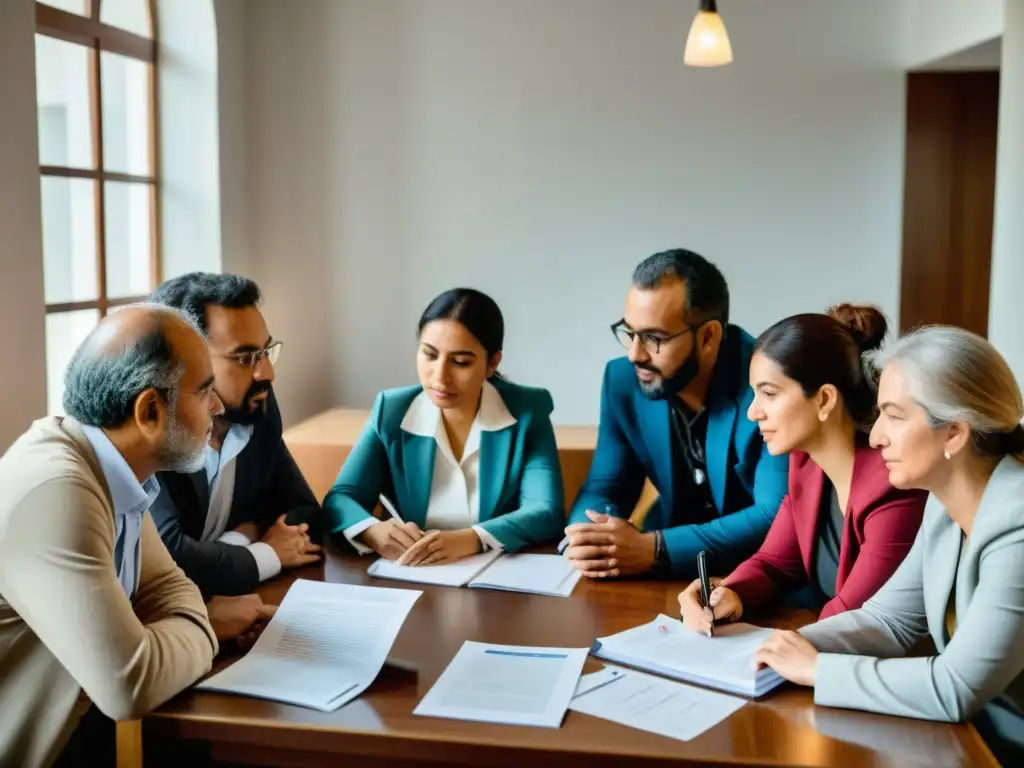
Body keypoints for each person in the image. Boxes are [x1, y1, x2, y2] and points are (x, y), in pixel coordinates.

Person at [0, 305, 275, 768]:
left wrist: (170, 628)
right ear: (149, 411)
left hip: (80, 727)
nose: (217, 406)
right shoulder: (59, 490)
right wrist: (205, 625)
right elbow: (128, 684)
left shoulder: (116, 467)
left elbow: (166, 587)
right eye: (205, 390)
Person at [753, 326, 1024, 764]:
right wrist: (781, 648)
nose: (876, 436)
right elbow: (890, 619)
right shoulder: (943, 504)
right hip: (978, 735)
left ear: (954, 433)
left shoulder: (1017, 526)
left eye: (894, 417)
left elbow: (955, 688)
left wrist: (817, 669)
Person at [678, 306, 926, 633]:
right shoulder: (806, 463)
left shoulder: (894, 487)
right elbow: (774, 563)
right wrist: (728, 593)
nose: (753, 413)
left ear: (824, 400)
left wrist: (774, 652)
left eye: (769, 393)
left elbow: (851, 619)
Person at [564, 249, 789, 580]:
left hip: (757, 577)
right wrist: (588, 537)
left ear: (709, 336)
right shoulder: (622, 381)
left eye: (654, 338)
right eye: (629, 332)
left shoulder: (768, 384)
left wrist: (655, 549)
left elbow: (773, 514)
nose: (634, 354)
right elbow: (607, 485)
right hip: (665, 575)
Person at [324, 288, 565, 564]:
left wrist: (472, 538)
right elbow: (342, 497)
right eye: (429, 355)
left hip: (496, 581)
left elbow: (546, 510)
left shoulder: (528, 410)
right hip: (410, 577)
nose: (440, 376)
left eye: (460, 362)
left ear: (492, 363)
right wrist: (371, 530)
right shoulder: (391, 410)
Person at [149, 273, 323, 598]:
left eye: (266, 351)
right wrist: (264, 553)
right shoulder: (151, 431)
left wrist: (246, 535)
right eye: (245, 359)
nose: (267, 373)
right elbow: (168, 560)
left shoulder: (258, 409)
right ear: (184, 362)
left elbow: (305, 511)